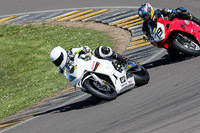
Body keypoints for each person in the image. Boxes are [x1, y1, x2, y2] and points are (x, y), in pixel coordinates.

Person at [49, 46, 128, 79]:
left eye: (58, 60)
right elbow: (70, 78)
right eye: (56, 62)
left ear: (62, 55)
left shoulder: (71, 52)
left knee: (101, 50)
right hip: (83, 74)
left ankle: (121, 59)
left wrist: (84, 50)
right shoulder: (63, 70)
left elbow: (85, 48)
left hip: (90, 61)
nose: (58, 63)